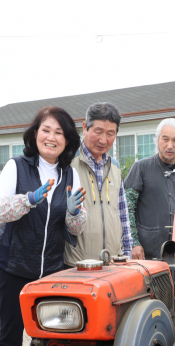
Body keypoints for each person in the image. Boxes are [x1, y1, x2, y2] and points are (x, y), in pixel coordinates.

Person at [0, 106, 86, 346]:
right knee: (10, 338)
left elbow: (77, 228)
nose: (52, 137)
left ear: (67, 140)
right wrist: (29, 199)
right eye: (46, 130)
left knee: (47, 340)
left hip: (51, 274)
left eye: (59, 132)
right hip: (14, 268)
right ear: (34, 134)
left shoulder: (70, 174)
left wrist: (74, 213)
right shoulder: (17, 167)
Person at [125, 118, 175, 260]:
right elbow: (126, 210)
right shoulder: (141, 169)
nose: (170, 146)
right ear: (156, 139)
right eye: (165, 139)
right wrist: (133, 244)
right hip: (147, 254)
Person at [64, 102, 133, 265]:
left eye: (110, 133)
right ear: (84, 127)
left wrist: (127, 253)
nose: (103, 140)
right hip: (78, 264)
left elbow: (122, 213)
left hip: (114, 261)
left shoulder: (115, 167)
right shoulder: (68, 163)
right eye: (98, 132)